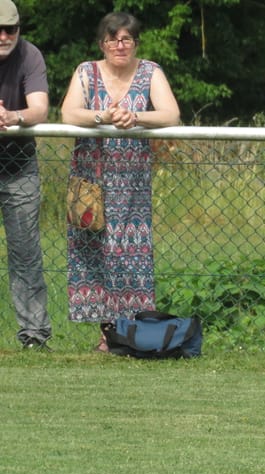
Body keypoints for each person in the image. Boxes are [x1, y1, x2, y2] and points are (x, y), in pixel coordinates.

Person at [61, 11, 180, 351]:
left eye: (126, 38)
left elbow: (171, 114)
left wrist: (134, 116)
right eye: (113, 39)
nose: (119, 45)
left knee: (131, 254)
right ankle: (107, 332)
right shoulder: (86, 71)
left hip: (132, 183)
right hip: (90, 180)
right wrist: (104, 116)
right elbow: (69, 113)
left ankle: (129, 331)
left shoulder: (150, 71)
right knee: (94, 251)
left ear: (135, 43)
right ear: (103, 43)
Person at [0, 0, 52, 350]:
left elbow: (40, 109)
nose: (4, 36)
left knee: (25, 253)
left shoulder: (30, 55)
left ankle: (34, 336)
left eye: (11, 30)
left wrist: (13, 117)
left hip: (18, 167)